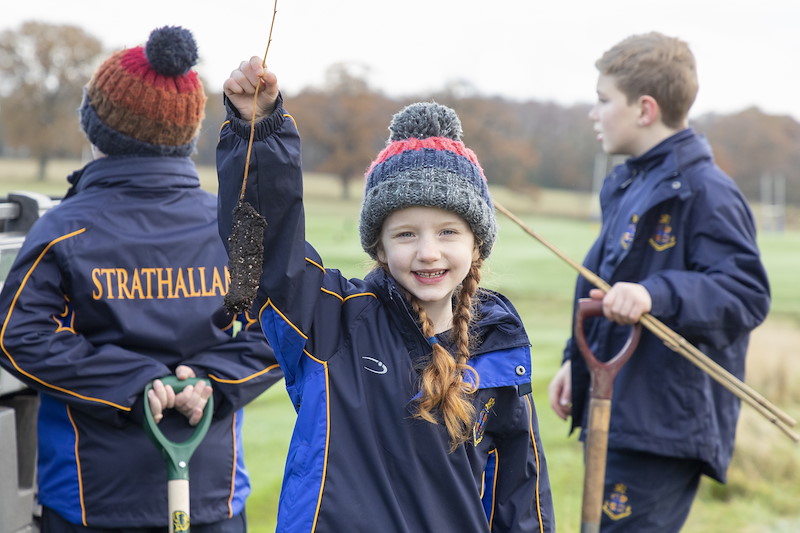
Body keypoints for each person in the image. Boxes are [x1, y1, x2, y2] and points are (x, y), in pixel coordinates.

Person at [216, 56, 555, 532]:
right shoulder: (331, 322)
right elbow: (268, 248)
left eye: (448, 232)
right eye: (405, 235)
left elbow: (520, 492)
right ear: (377, 244)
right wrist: (259, 131)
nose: (428, 253)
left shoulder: (498, 344)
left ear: (477, 242)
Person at [0, 27, 282, 532]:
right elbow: (281, 327)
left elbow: (16, 337)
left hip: (91, 503)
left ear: (94, 129)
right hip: (211, 500)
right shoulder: (231, 223)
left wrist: (134, 385)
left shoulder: (63, 229)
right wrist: (209, 382)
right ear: (188, 136)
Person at [548, 32, 770, 531]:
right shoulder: (627, 183)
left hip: (661, 424)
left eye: (604, 101)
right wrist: (574, 361)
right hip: (616, 407)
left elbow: (745, 293)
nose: (594, 113)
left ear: (645, 109)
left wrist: (656, 294)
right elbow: (602, 286)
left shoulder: (706, 192)